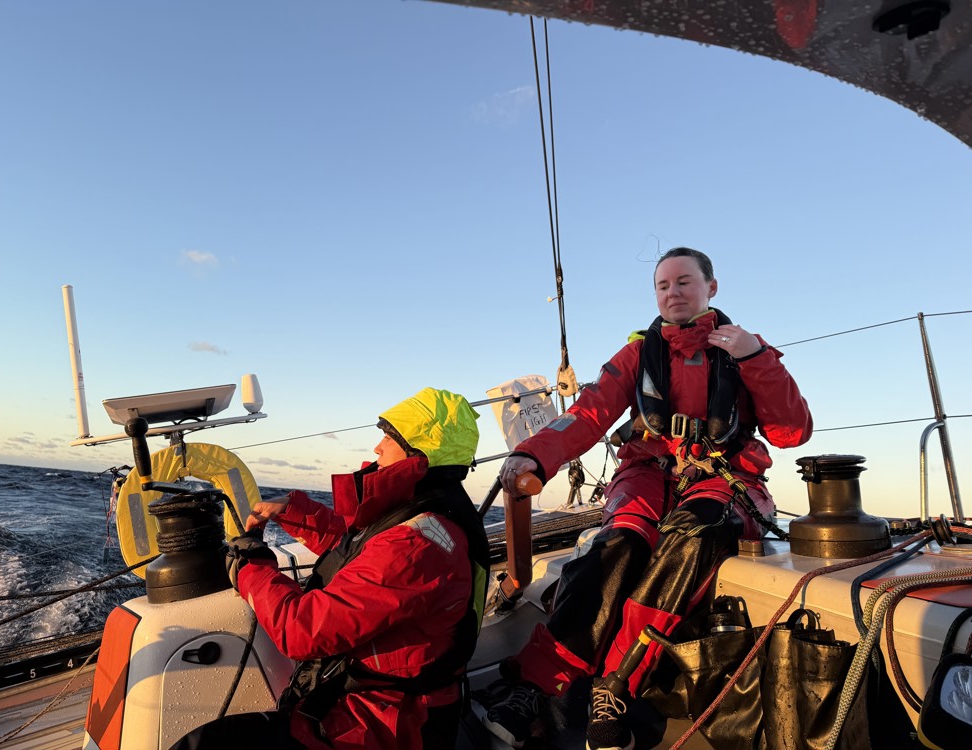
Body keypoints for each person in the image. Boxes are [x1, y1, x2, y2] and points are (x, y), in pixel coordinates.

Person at [480, 247, 813, 750]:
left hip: (724, 479)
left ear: (711, 288)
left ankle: (615, 687)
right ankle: (537, 684)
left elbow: (793, 432)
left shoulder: (748, 350)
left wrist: (755, 358)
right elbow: (589, 414)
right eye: (663, 285)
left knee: (691, 537)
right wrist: (534, 455)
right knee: (619, 542)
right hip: (648, 472)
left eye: (684, 282)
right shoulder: (637, 354)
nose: (673, 293)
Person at [170, 387, 490, 750]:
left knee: (205, 745)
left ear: (420, 454)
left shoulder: (415, 546)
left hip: (379, 724)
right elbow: (362, 554)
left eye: (389, 437)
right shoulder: (428, 517)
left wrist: (249, 566)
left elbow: (302, 632)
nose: (378, 448)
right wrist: (294, 512)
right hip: (372, 703)